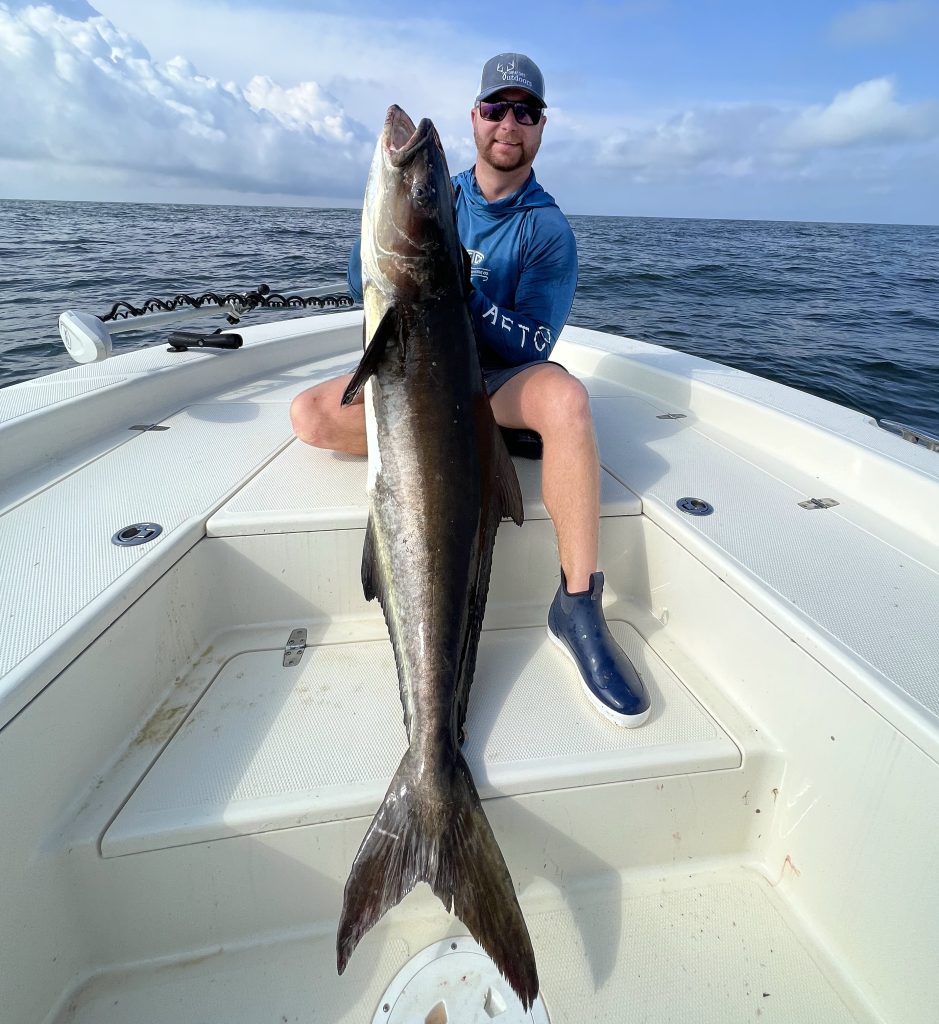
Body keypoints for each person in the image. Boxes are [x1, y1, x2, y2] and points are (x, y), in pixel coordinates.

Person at [290, 53, 650, 727]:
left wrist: (463, 290)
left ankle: (576, 603)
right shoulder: (440, 193)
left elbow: (532, 346)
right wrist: (379, 241)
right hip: (428, 380)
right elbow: (360, 284)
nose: (507, 124)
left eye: (524, 112)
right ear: (475, 119)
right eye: (495, 109)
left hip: (497, 382)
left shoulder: (546, 229)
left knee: (565, 400)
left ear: (539, 127)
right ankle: (467, 450)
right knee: (309, 415)